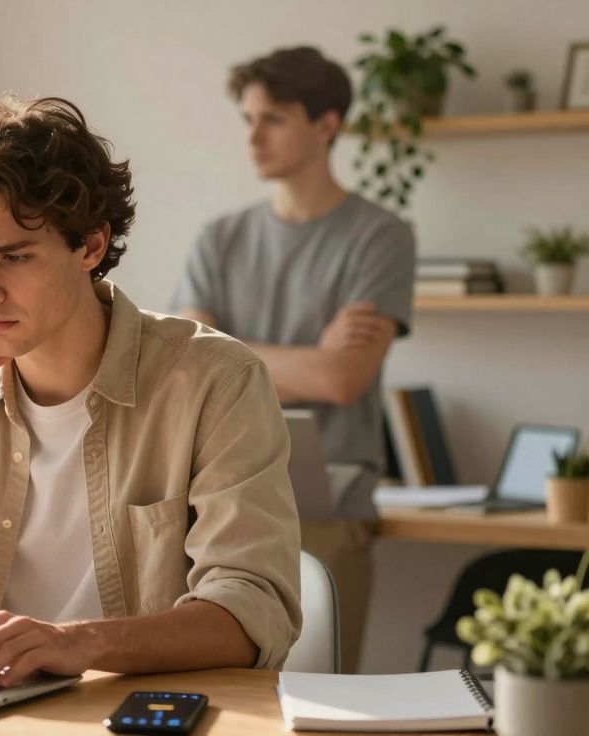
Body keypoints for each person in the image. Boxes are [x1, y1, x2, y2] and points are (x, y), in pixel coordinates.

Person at [0, 95, 301, 689]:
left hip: (144, 716)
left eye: (12, 257)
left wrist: (75, 643)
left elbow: (251, 613)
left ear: (89, 246)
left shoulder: (215, 380)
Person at [171, 46, 417, 673]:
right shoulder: (218, 239)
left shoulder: (379, 235)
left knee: (319, 703)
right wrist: (305, 359)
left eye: (273, 119)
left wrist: (230, 354)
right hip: (219, 503)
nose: (253, 137)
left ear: (327, 125)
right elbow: (187, 367)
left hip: (328, 508)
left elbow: (342, 378)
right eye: (248, 118)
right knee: (219, 700)